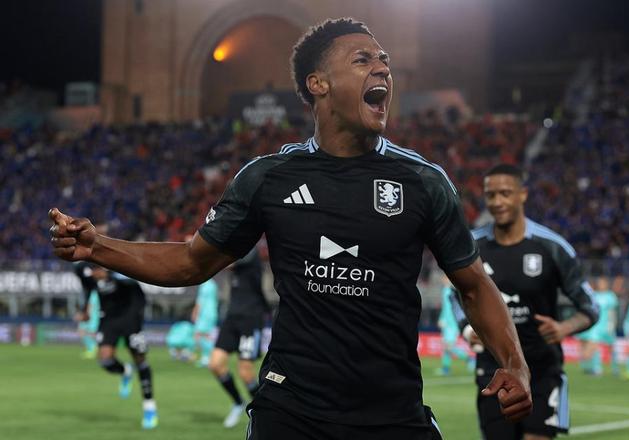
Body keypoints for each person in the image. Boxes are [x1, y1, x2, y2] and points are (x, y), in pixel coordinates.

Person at [49, 18, 532, 440]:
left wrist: (514, 364)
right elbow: (191, 262)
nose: (383, 68)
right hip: (290, 410)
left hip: (391, 412)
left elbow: (474, 285)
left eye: (384, 60)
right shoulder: (268, 178)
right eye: (363, 59)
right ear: (318, 83)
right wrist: (98, 247)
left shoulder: (424, 182)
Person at [452, 163, 599, 440]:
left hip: (543, 369)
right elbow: (455, 295)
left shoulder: (552, 247)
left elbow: (590, 306)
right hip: (494, 370)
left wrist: (565, 328)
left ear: (523, 194)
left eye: (505, 193)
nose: (497, 202)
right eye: (491, 195)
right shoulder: (472, 245)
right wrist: (467, 329)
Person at [73, 262, 158, 429]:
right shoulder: (85, 270)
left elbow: (136, 284)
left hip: (130, 318)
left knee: (140, 361)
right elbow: (85, 283)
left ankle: (149, 407)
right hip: (108, 319)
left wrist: (109, 275)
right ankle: (125, 371)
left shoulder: (117, 265)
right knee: (105, 360)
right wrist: (85, 310)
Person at [208, 247, 268, 428]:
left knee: (245, 372)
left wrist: (203, 249)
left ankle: (263, 413)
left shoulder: (250, 252)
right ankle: (238, 402)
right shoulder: (236, 252)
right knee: (215, 364)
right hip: (232, 317)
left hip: (251, 317)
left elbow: (225, 261)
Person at [576, 276, 619, 376]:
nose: (601, 285)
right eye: (599, 283)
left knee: (611, 347)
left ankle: (615, 368)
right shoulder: (594, 295)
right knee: (595, 347)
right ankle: (597, 369)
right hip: (596, 326)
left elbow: (612, 312)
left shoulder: (611, 296)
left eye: (603, 283)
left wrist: (612, 325)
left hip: (607, 325)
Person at [436, 276, 474, 376]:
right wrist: (441, 318)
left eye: (445, 278)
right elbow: (445, 307)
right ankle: (446, 369)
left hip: (451, 323)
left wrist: (444, 320)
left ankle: (468, 358)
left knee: (448, 346)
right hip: (448, 322)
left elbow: (450, 308)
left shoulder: (450, 291)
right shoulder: (446, 290)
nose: (443, 280)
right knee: (446, 346)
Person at [74, 262, 100, 359]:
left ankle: (93, 349)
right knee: (83, 331)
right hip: (90, 314)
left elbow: (91, 305)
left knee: (88, 332)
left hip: (92, 315)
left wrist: (85, 314)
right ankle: (91, 349)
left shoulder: (94, 292)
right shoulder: (92, 291)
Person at [192, 277, 219, 367]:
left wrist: (195, 313)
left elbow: (200, 302)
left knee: (199, 335)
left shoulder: (205, 285)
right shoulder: (213, 284)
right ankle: (207, 358)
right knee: (206, 336)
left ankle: (210, 357)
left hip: (205, 314)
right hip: (212, 313)